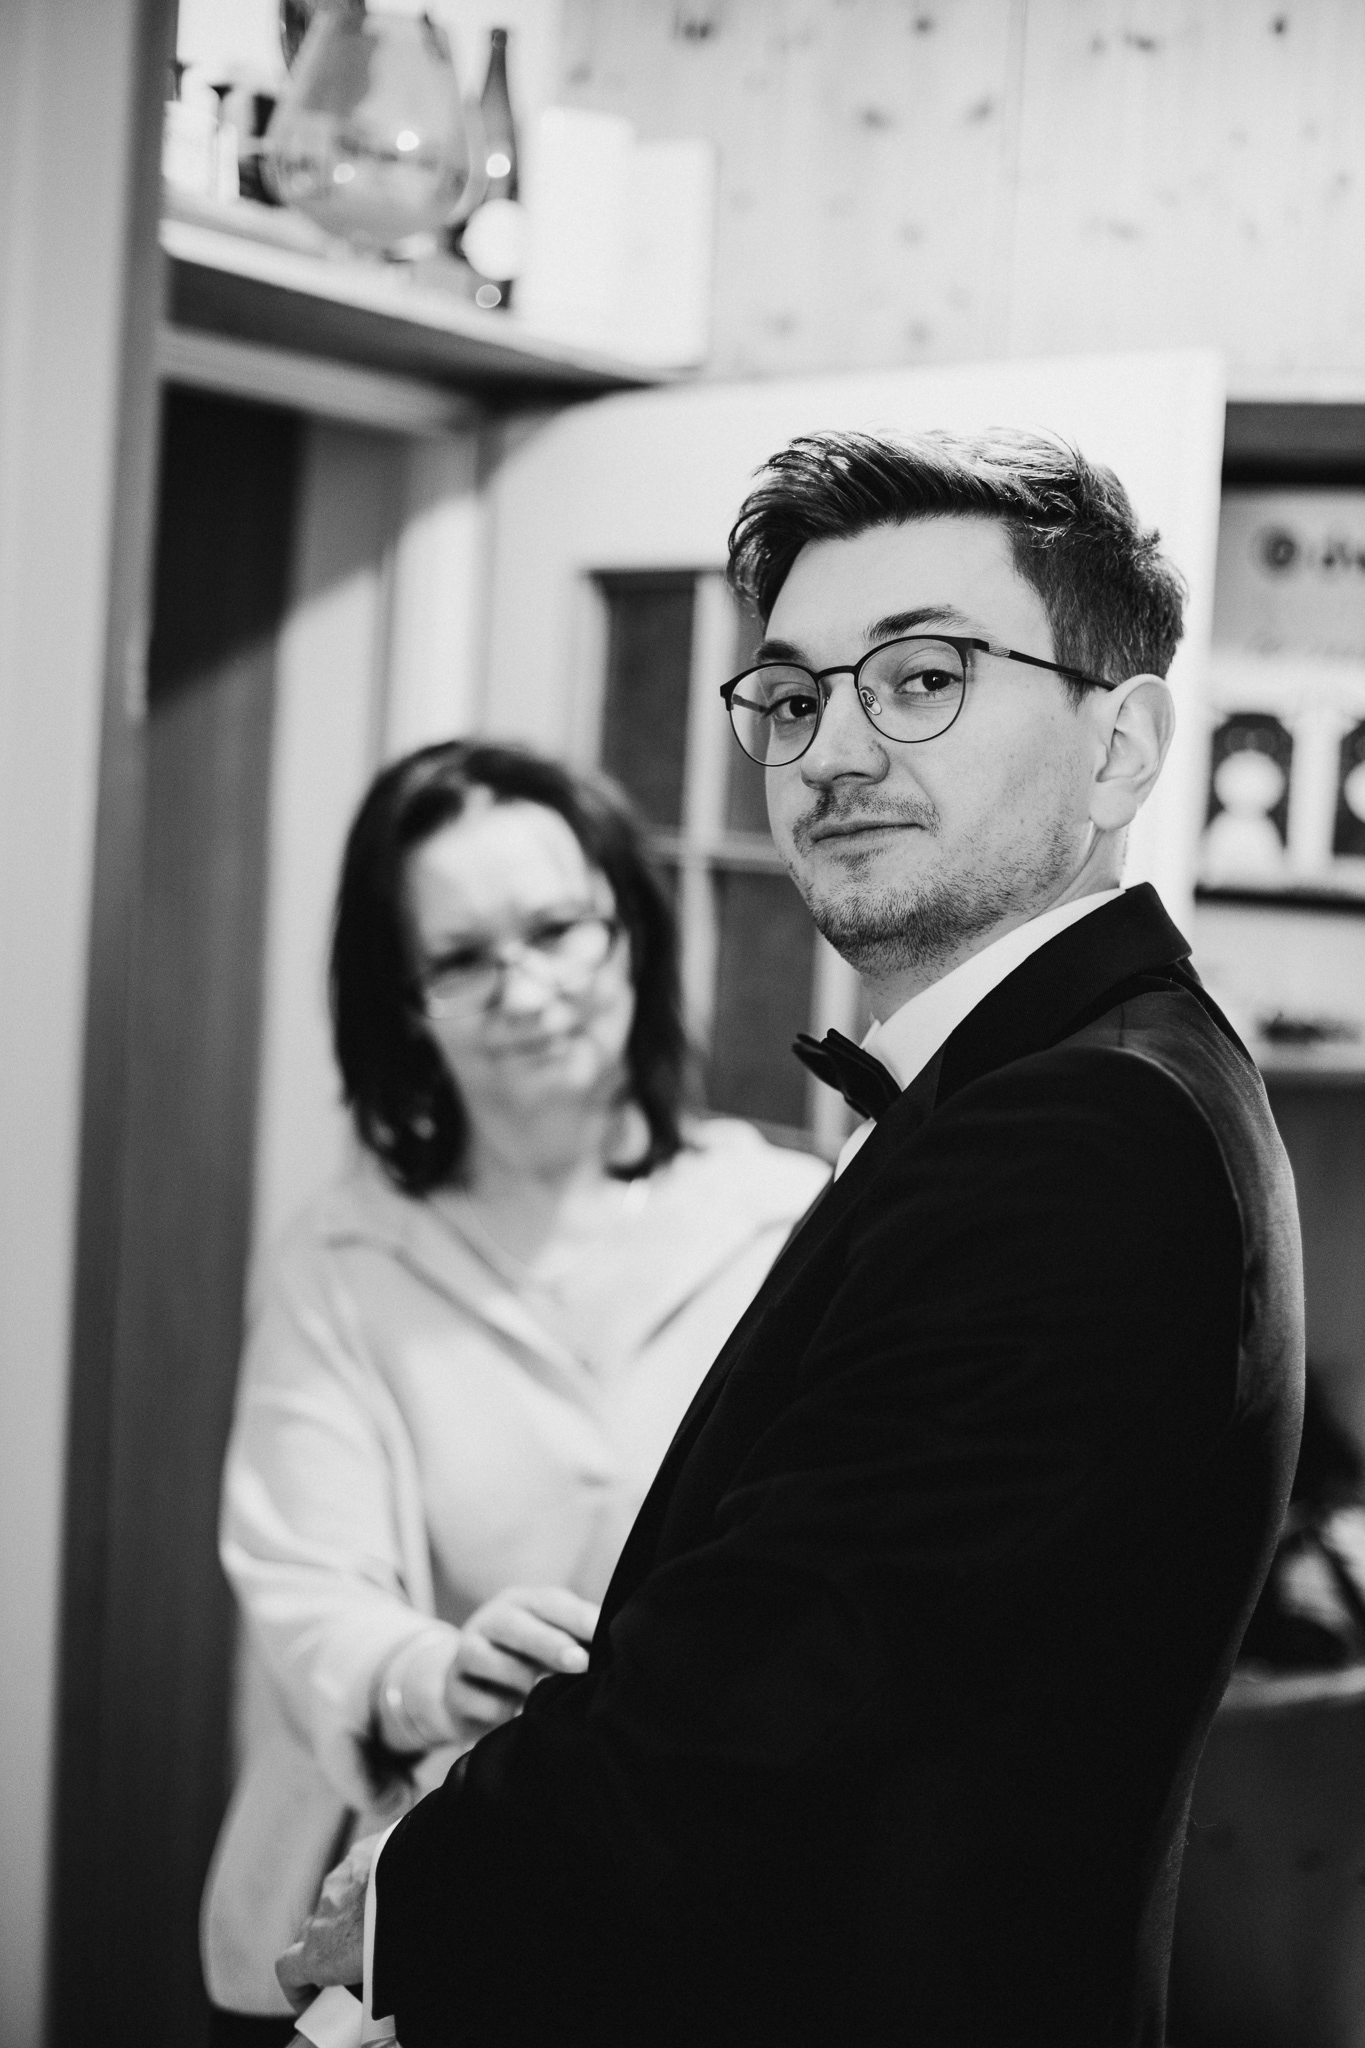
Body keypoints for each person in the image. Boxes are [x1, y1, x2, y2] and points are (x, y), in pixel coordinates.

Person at [278, 430, 1305, 2048]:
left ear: (1121, 747)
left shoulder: (1079, 1130)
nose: (830, 750)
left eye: (920, 678)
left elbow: (792, 1680)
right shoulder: (1061, 1085)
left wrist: (420, 1886)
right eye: (791, 695)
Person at [200, 741, 828, 2041]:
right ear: (403, 1001)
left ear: (629, 929)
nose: (527, 991)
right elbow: (304, 1585)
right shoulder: (344, 1258)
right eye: (462, 958)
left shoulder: (788, 1223)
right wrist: (435, 1674)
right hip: (395, 1926)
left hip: (704, 1920)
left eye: (555, 931)